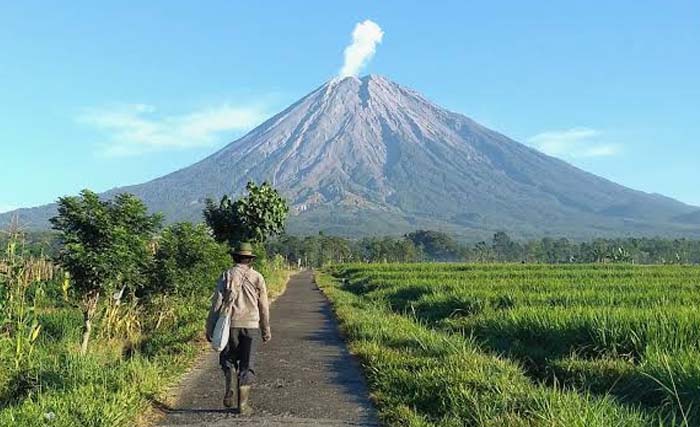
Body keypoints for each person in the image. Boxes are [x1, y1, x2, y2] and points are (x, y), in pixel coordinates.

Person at [206, 241, 271, 414]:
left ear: (235, 257)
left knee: (228, 359)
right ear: (250, 260)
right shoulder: (258, 277)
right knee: (247, 363)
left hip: (230, 325)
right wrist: (266, 330)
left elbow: (216, 304)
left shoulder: (226, 275)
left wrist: (210, 327)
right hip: (251, 325)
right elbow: (264, 306)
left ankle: (229, 387)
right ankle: (243, 405)